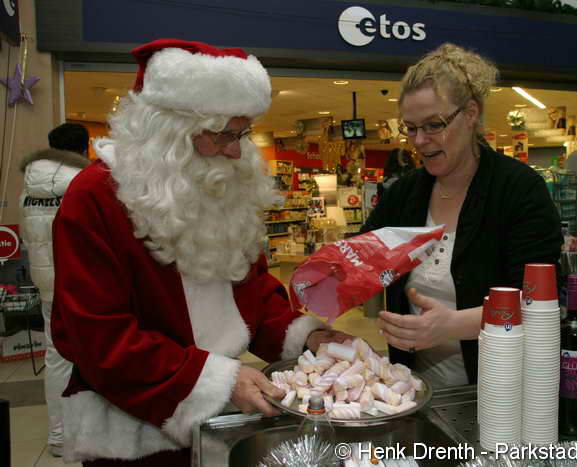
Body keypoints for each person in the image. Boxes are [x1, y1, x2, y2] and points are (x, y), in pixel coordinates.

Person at [50, 39, 350, 466]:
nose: (236, 150)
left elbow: (254, 295)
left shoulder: (221, 185)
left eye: (241, 133)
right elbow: (98, 337)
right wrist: (214, 382)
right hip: (134, 433)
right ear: (168, 132)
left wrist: (309, 339)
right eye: (223, 134)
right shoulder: (95, 198)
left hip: (222, 415)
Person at [360, 43, 562, 388]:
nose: (419, 140)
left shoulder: (518, 189)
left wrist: (451, 325)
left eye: (433, 125)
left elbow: (537, 301)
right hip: (415, 388)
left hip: (502, 387)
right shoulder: (404, 194)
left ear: (470, 114)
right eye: (410, 128)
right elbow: (363, 255)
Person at [18, 122, 91, 457]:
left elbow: (29, 238)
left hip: (47, 284)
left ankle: (59, 436)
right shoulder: (83, 182)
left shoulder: (28, 187)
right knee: (93, 354)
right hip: (83, 283)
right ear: (84, 148)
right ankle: (87, 433)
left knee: (57, 357)